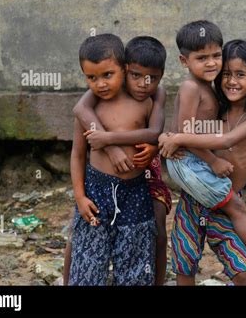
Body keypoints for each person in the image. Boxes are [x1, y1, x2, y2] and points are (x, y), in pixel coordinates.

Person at [161, 29, 246, 284]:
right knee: (184, 263)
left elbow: (225, 140)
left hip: (223, 200)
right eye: (226, 74)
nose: (231, 81)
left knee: (242, 272)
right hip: (195, 197)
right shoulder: (218, 104)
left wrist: (178, 138)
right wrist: (169, 136)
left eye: (240, 75)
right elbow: (190, 128)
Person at [64, 36, 171, 286]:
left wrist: (114, 141)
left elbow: (155, 133)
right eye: (92, 78)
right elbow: (78, 154)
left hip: (135, 191)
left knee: (135, 263)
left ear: (123, 68)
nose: (100, 84)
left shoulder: (147, 99)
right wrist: (80, 197)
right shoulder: (91, 107)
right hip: (97, 189)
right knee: (88, 259)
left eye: (108, 75)